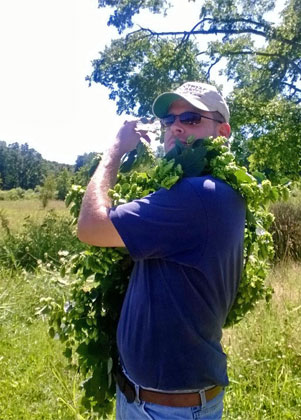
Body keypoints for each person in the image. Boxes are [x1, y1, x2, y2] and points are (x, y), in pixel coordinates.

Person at [77, 82, 244, 419]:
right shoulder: (217, 193)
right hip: (155, 400)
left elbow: (91, 227)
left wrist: (115, 150)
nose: (176, 126)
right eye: (170, 120)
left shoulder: (198, 195)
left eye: (192, 118)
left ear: (222, 131)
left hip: (165, 410)